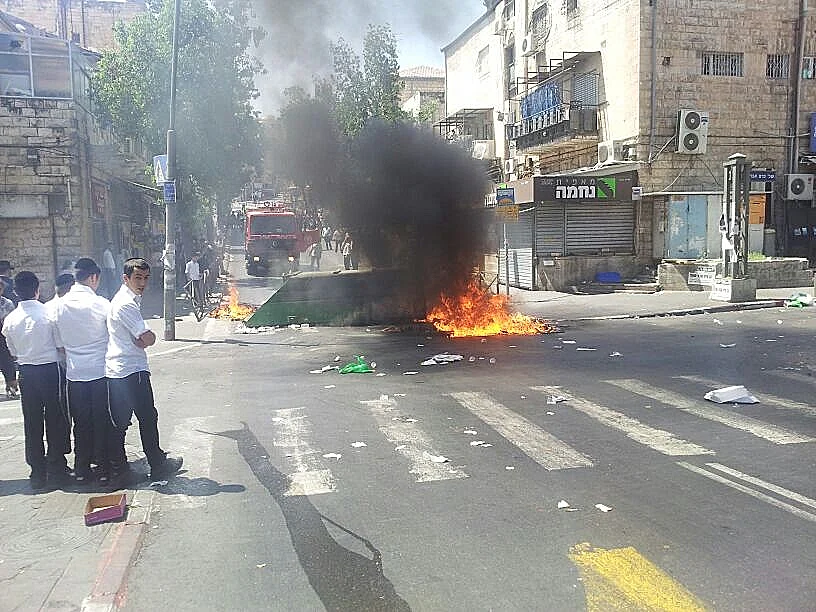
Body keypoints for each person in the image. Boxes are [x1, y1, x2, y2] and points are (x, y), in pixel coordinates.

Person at [106, 258, 182, 482]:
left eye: (146, 278)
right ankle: (156, 464)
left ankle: (120, 468)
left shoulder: (126, 300)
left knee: (122, 421)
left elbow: (141, 338)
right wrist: (150, 337)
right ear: (125, 278)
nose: (142, 283)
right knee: (146, 417)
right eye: (138, 278)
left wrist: (143, 339)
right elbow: (147, 337)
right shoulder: (126, 304)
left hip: (121, 369)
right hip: (131, 369)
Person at [2, 271, 70, 490]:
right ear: (37, 289)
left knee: (32, 422)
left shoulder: (10, 319)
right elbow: (61, 346)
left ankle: (37, 471)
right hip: (50, 370)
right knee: (56, 418)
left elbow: (12, 351)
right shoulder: (48, 314)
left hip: (26, 372)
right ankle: (57, 466)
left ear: (16, 292)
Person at [52, 258, 113, 484]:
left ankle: (81, 469)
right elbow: (112, 338)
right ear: (94, 277)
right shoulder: (102, 305)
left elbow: (59, 346)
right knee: (102, 421)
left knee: (80, 423)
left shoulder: (58, 306)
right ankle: (104, 468)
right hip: (100, 373)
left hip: (74, 375)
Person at [0, 277, 18, 398]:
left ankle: (11, 386)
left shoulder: (6, 303)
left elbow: (10, 322)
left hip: (3, 335)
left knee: (7, 362)